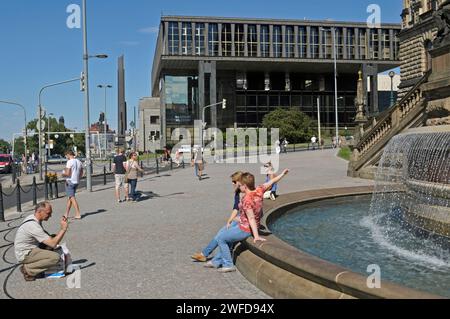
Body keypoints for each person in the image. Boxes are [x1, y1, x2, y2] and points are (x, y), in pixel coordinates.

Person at [206, 169, 290, 272]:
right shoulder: (259, 190)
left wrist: (256, 236)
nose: (239, 187)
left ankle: (228, 264)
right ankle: (216, 261)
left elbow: (251, 218)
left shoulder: (247, 200)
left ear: (244, 186)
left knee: (221, 238)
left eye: (240, 185)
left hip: (245, 229)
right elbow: (272, 181)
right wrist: (282, 174)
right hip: (244, 224)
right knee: (228, 233)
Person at [191, 172, 243, 263]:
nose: (232, 183)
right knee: (221, 232)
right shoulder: (238, 192)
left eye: (234, 181)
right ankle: (204, 254)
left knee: (222, 234)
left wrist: (231, 220)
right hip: (239, 218)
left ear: (239, 182)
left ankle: (206, 255)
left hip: (243, 220)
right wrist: (229, 220)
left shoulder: (246, 193)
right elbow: (236, 208)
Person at [14, 202, 69, 281]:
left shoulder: (33, 218)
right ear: (39, 212)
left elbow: (49, 238)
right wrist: (63, 229)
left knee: (52, 237)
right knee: (55, 258)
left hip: (28, 248)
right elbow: (53, 244)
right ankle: (28, 269)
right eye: (48, 213)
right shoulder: (33, 226)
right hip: (25, 253)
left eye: (51, 213)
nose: (50, 215)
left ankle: (34, 265)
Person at [63, 151, 83, 220]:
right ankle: (66, 214)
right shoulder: (79, 161)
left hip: (70, 181)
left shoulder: (69, 162)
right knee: (70, 198)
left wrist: (63, 174)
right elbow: (81, 172)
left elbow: (67, 173)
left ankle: (78, 214)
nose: (66, 157)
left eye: (66, 155)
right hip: (76, 182)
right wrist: (78, 178)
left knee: (72, 198)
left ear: (69, 155)